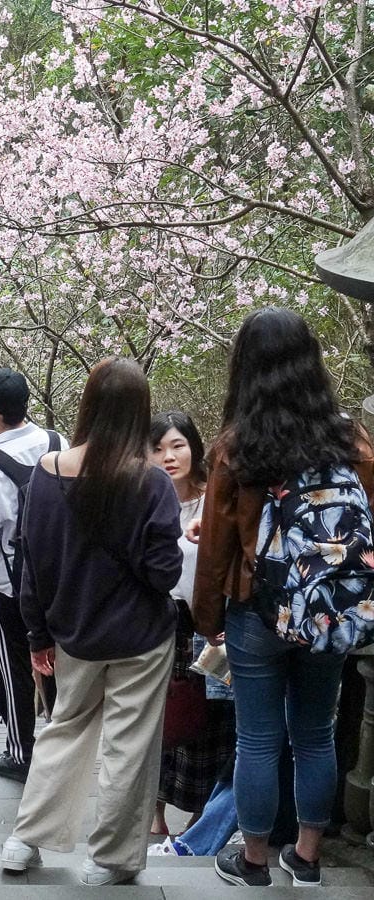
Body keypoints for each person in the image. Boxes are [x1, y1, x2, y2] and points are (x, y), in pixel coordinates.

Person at [191, 307, 374, 888]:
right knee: (316, 733)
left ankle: (254, 861)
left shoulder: (238, 447)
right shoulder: (350, 438)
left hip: (257, 610)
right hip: (328, 607)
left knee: (258, 738)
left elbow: (217, 547)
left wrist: (208, 617)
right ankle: (309, 857)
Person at [0, 356, 182, 886]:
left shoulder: (45, 473)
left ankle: (24, 840)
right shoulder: (151, 483)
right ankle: (110, 859)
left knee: (65, 729)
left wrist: (37, 633)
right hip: (141, 636)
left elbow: (29, 562)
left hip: (73, 632)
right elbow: (162, 573)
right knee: (129, 743)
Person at [0, 367, 67, 783]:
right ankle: (65, 746)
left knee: (9, 665)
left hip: (11, 580)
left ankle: (19, 751)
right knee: (61, 661)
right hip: (61, 574)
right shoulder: (57, 441)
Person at [148, 412, 235, 838]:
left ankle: (202, 814)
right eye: (158, 448)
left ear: (194, 447)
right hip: (162, 622)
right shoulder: (146, 499)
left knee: (211, 718)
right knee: (162, 717)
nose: (168, 456)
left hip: (210, 624)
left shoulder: (213, 498)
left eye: (177, 445)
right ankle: (155, 812)